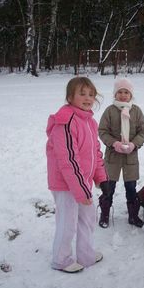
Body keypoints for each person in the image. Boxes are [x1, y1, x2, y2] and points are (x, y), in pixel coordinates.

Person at [46, 77, 110, 273]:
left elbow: (95, 153)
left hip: (83, 183)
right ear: (70, 97)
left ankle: (86, 254)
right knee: (68, 222)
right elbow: (69, 160)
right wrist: (82, 191)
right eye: (82, 93)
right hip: (66, 185)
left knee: (87, 219)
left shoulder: (89, 121)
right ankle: (61, 259)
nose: (88, 98)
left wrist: (101, 177)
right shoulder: (65, 121)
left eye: (91, 94)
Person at [98, 78, 144, 228]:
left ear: (131, 94)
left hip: (130, 157)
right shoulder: (110, 111)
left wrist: (134, 144)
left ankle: (133, 216)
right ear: (115, 94)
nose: (123, 95)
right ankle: (105, 214)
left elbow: (143, 131)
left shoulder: (136, 111)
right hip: (113, 156)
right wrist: (114, 143)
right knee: (109, 187)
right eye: (120, 92)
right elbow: (102, 131)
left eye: (126, 92)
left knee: (131, 188)